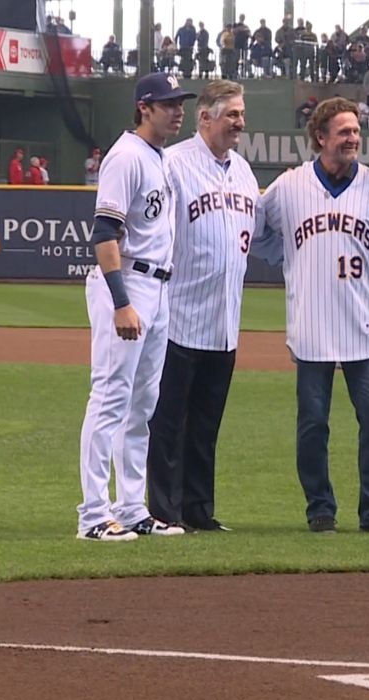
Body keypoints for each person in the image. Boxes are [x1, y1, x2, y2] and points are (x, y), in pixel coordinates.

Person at [252, 97, 369, 535]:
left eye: (356, 132)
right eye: (344, 132)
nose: (354, 139)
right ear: (320, 138)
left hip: (363, 325)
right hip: (311, 325)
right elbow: (253, 230)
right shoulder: (289, 187)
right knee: (312, 424)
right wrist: (286, 255)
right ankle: (319, 507)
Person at [76, 72, 196, 542]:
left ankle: (129, 508)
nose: (178, 109)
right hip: (127, 284)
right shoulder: (125, 156)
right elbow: (104, 233)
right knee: (109, 398)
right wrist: (121, 302)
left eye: (180, 102)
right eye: (168, 103)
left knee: (142, 404)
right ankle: (92, 515)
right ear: (144, 107)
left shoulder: (159, 157)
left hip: (159, 287)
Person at [146, 81, 257, 533]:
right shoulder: (172, 165)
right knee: (168, 423)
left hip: (224, 322)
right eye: (231, 114)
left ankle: (197, 509)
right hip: (177, 317)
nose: (240, 122)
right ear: (204, 118)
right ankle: (162, 510)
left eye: (241, 113)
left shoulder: (245, 172)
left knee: (206, 426)